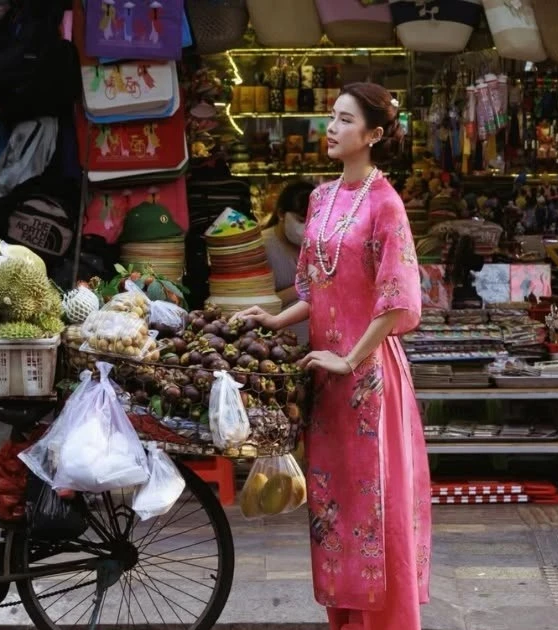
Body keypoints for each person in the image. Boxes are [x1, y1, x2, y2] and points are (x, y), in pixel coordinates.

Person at [235, 82, 431, 630]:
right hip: (327, 378)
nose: (332, 127)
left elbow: (397, 304)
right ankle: (344, 619)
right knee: (333, 505)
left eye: (346, 120)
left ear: (373, 135)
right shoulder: (321, 197)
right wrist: (277, 319)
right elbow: (314, 289)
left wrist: (349, 360)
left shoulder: (387, 206)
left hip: (368, 381)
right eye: (332, 116)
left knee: (372, 505)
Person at [262, 180, 313, 342]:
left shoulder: (321, 245)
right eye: (300, 220)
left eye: (313, 221)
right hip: (278, 345)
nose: (307, 228)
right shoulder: (261, 249)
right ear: (281, 214)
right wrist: (305, 286)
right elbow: (259, 304)